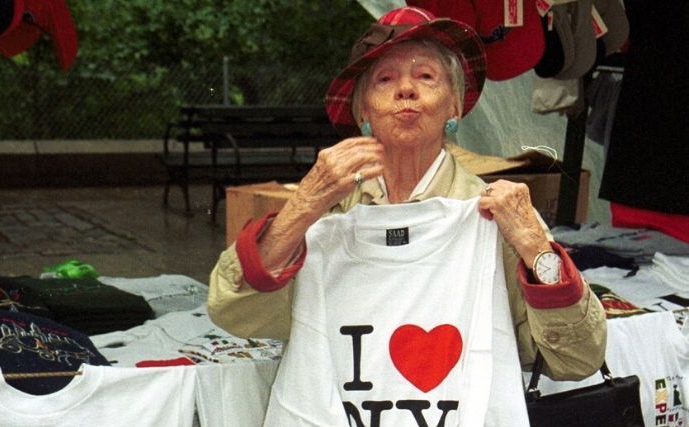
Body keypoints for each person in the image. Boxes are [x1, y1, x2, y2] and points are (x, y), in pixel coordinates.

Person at [207, 6, 606, 381]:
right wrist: (303, 206)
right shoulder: (329, 209)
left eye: (426, 76)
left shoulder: (493, 213)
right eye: (385, 79)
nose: (406, 90)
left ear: (454, 106)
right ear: (362, 111)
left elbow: (577, 359)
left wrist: (536, 247)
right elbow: (232, 310)